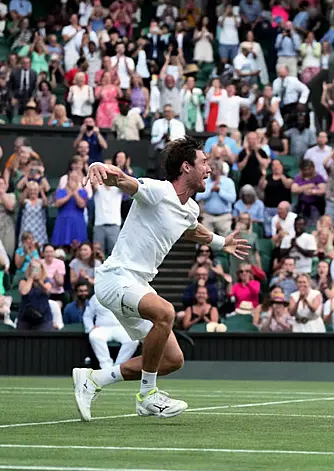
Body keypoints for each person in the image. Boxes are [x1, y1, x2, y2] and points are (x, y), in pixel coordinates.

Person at [73, 138, 250, 422]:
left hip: (138, 285)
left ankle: (93, 380)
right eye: (204, 162)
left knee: (172, 360)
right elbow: (123, 181)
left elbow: (191, 229)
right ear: (186, 166)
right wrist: (98, 166)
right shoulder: (157, 190)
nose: (209, 168)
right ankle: (147, 396)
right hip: (115, 278)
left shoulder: (190, 208)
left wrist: (220, 242)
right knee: (166, 312)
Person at [83, 294, 140, 369]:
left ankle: (118, 367)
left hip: (121, 327)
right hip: (102, 327)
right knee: (94, 336)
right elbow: (87, 315)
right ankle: (106, 367)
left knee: (134, 339)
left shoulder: (125, 294)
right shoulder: (96, 297)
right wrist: (90, 327)